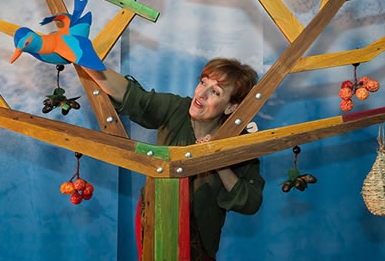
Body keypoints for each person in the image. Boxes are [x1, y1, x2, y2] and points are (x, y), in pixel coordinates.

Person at [85, 57, 265, 260]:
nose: (201, 94)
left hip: (201, 240)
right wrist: (83, 57)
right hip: (155, 218)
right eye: (203, 82)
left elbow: (250, 202)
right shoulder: (176, 109)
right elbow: (130, 95)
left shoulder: (238, 141)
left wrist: (218, 160)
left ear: (231, 107)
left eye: (215, 92)